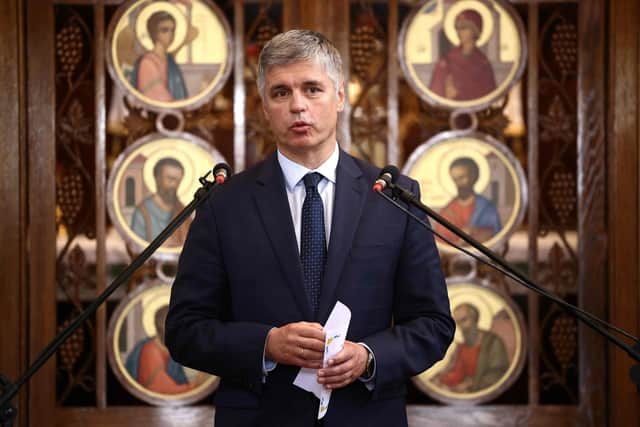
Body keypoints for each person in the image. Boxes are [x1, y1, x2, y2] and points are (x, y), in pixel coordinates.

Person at [165, 29, 454, 427]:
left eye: (312, 89)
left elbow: (433, 324)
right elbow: (185, 331)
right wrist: (267, 345)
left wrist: (369, 356)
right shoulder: (223, 204)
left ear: (340, 98)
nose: (298, 106)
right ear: (264, 107)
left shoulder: (393, 198)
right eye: (281, 93)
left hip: (365, 415)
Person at [436, 303, 509, 393]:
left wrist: (471, 384)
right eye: (458, 322)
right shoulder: (460, 348)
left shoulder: (493, 342)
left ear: (475, 318)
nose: (462, 327)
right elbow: (451, 370)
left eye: (464, 320)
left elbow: (499, 373)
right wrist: (438, 379)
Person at [125, 305, 196, 394]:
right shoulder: (150, 350)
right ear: (158, 329)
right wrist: (195, 386)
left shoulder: (173, 348)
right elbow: (161, 389)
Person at [428, 9, 497, 101]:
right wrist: (446, 93)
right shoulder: (446, 61)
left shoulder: (483, 64)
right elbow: (435, 94)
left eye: (464, 27)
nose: (460, 32)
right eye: (458, 28)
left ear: (475, 31)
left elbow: (490, 95)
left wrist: (460, 92)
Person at [434, 157, 501, 245]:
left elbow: (497, 237)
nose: (458, 183)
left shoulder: (487, 208)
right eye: (455, 179)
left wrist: (476, 232)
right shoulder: (447, 211)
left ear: (474, 176)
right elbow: (440, 241)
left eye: (462, 177)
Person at [130, 157, 191, 247]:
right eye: (170, 179)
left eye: (177, 180)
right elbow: (136, 246)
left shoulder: (182, 210)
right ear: (157, 178)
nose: (174, 184)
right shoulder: (143, 211)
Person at [130, 10, 188, 102]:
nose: (170, 35)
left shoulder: (170, 60)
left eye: (172, 30)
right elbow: (157, 97)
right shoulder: (147, 62)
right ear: (154, 32)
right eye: (165, 30)